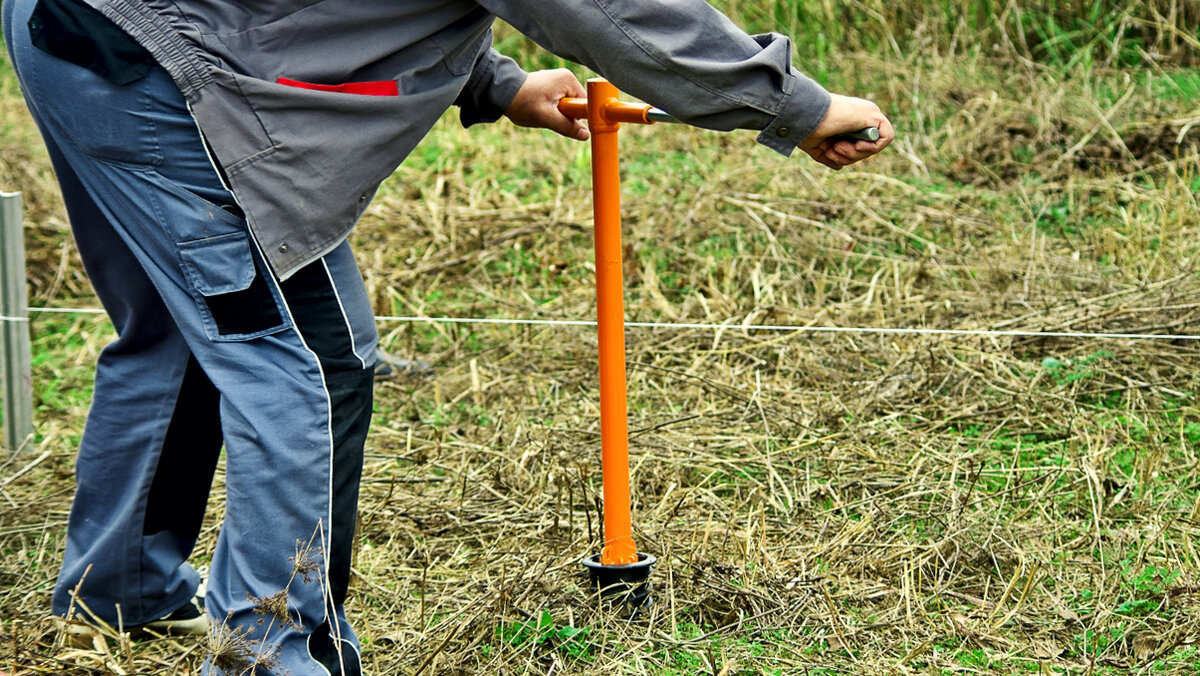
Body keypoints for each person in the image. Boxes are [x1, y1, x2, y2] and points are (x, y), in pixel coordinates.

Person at [2, 0, 893, 673]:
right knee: (303, 360)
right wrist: (794, 105)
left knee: (176, 327)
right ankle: (267, 656)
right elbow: (611, 13)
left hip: (90, 35)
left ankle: (116, 589)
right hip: (157, 73)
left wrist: (497, 83)